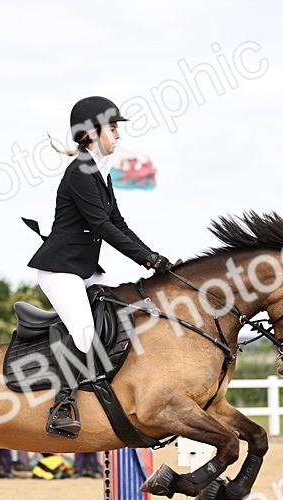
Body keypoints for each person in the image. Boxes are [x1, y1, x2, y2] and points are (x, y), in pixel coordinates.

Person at [28, 95, 174, 437]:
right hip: (60, 268)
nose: (118, 136)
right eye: (112, 128)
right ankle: (63, 405)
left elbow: (119, 223)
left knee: (136, 300)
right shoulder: (80, 171)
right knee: (84, 331)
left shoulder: (98, 172)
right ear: (92, 132)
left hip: (83, 265)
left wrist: (154, 258)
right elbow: (102, 227)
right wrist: (147, 258)